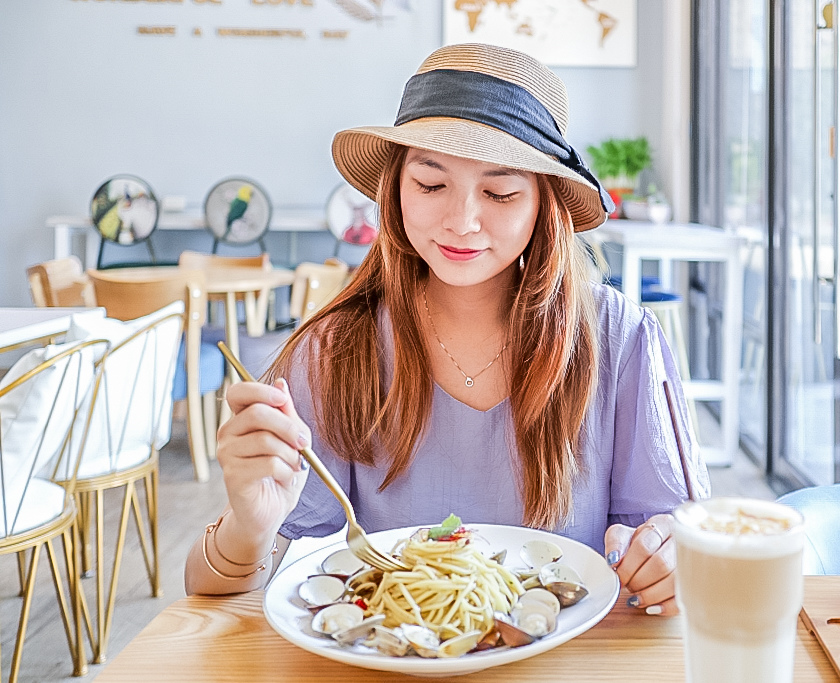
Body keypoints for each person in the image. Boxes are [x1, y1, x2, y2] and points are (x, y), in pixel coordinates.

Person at [184, 43, 709, 618]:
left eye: (500, 192)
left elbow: (676, 543)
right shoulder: (338, 350)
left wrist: (675, 558)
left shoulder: (620, 340)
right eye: (430, 185)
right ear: (395, 189)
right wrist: (250, 525)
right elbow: (210, 595)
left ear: (543, 203)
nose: (461, 221)